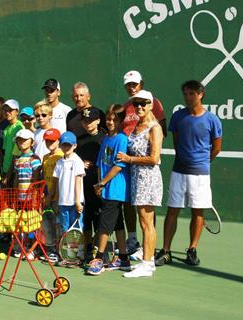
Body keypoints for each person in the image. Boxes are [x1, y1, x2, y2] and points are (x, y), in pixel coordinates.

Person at [155, 80, 222, 267]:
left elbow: (217, 147)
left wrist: (201, 162)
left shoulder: (212, 120)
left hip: (200, 174)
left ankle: (192, 249)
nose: (187, 97)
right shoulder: (178, 117)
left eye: (191, 93)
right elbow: (177, 142)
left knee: (197, 211)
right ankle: (166, 250)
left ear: (201, 94)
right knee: (172, 210)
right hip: (179, 171)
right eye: (185, 94)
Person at [117, 90, 163, 278]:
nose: (140, 107)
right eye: (136, 104)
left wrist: (129, 159)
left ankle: (147, 263)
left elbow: (154, 158)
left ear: (151, 105)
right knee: (144, 221)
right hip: (137, 178)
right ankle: (148, 261)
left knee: (146, 222)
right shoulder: (137, 126)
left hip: (148, 178)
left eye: (144, 103)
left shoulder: (154, 128)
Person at [121, 70, 167, 255]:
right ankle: (133, 241)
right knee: (136, 211)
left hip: (145, 168)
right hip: (131, 165)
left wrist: (134, 155)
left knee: (147, 216)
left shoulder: (153, 106)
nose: (132, 87)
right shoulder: (127, 106)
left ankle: (148, 253)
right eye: (128, 84)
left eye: (135, 84)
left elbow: (159, 135)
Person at [87, 104, 131, 275]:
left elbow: (118, 166)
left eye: (115, 119)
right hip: (105, 188)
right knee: (118, 223)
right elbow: (100, 164)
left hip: (116, 189)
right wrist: (99, 183)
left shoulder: (122, 139)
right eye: (109, 119)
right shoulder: (106, 139)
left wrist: (102, 183)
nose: (111, 122)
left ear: (121, 121)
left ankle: (99, 259)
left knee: (104, 225)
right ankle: (124, 258)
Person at [76, 107, 105, 263]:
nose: (87, 123)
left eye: (91, 120)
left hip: (99, 187)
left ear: (98, 121)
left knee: (100, 220)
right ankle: (88, 248)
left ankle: (98, 247)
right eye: (85, 120)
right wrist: (81, 163)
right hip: (84, 186)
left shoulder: (104, 139)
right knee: (86, 219)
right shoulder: (79, 141)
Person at [8, 129, 42, 259]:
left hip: (32, 198)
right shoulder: (17, 160)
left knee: (31, 223)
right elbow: (16, 178)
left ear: (32, 142)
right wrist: (15, 194)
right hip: (20, 198)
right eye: (19, 140)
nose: (22, 142)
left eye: (25, 140)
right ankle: (22, 246)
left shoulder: (34, 159)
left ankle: (33, 249)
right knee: (21, 222)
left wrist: (34, 195)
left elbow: (37, 177)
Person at [51, 131, 85, 235]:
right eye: (63, 145)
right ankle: (66, 251)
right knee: (65, 229)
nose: (66, 147)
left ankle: (78, 251)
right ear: (60, 145)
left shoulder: (77, 161)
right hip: (62, 203)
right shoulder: (59, 162)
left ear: (74, 145)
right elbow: (56, 183)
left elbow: (78, 181)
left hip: (75, 203)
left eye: (68, 145)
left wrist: (77, 201)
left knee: (76, 230)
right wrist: (56, 200)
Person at [41, 128, 64, 262]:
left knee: (58, 224)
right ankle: (50, 249)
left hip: (58, 197)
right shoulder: (45, 157)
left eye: (52, 141)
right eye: (47, 141)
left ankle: (58, 250)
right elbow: (45, 177)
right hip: (47, 196)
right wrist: (45, 194)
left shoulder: (61, 156)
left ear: (58, 141)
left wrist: (52, 195)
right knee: (48, 224)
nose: (49, 143)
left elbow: (58, 179)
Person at [1, 99, 24, 176]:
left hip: (14, 171)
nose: (7, 112)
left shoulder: (19, 127)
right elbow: (5, 151)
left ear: (17, 112)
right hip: (5, 170)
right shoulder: (6, 129)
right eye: (5, 110)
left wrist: (9, 174)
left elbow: (17, 154)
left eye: (10, 110)